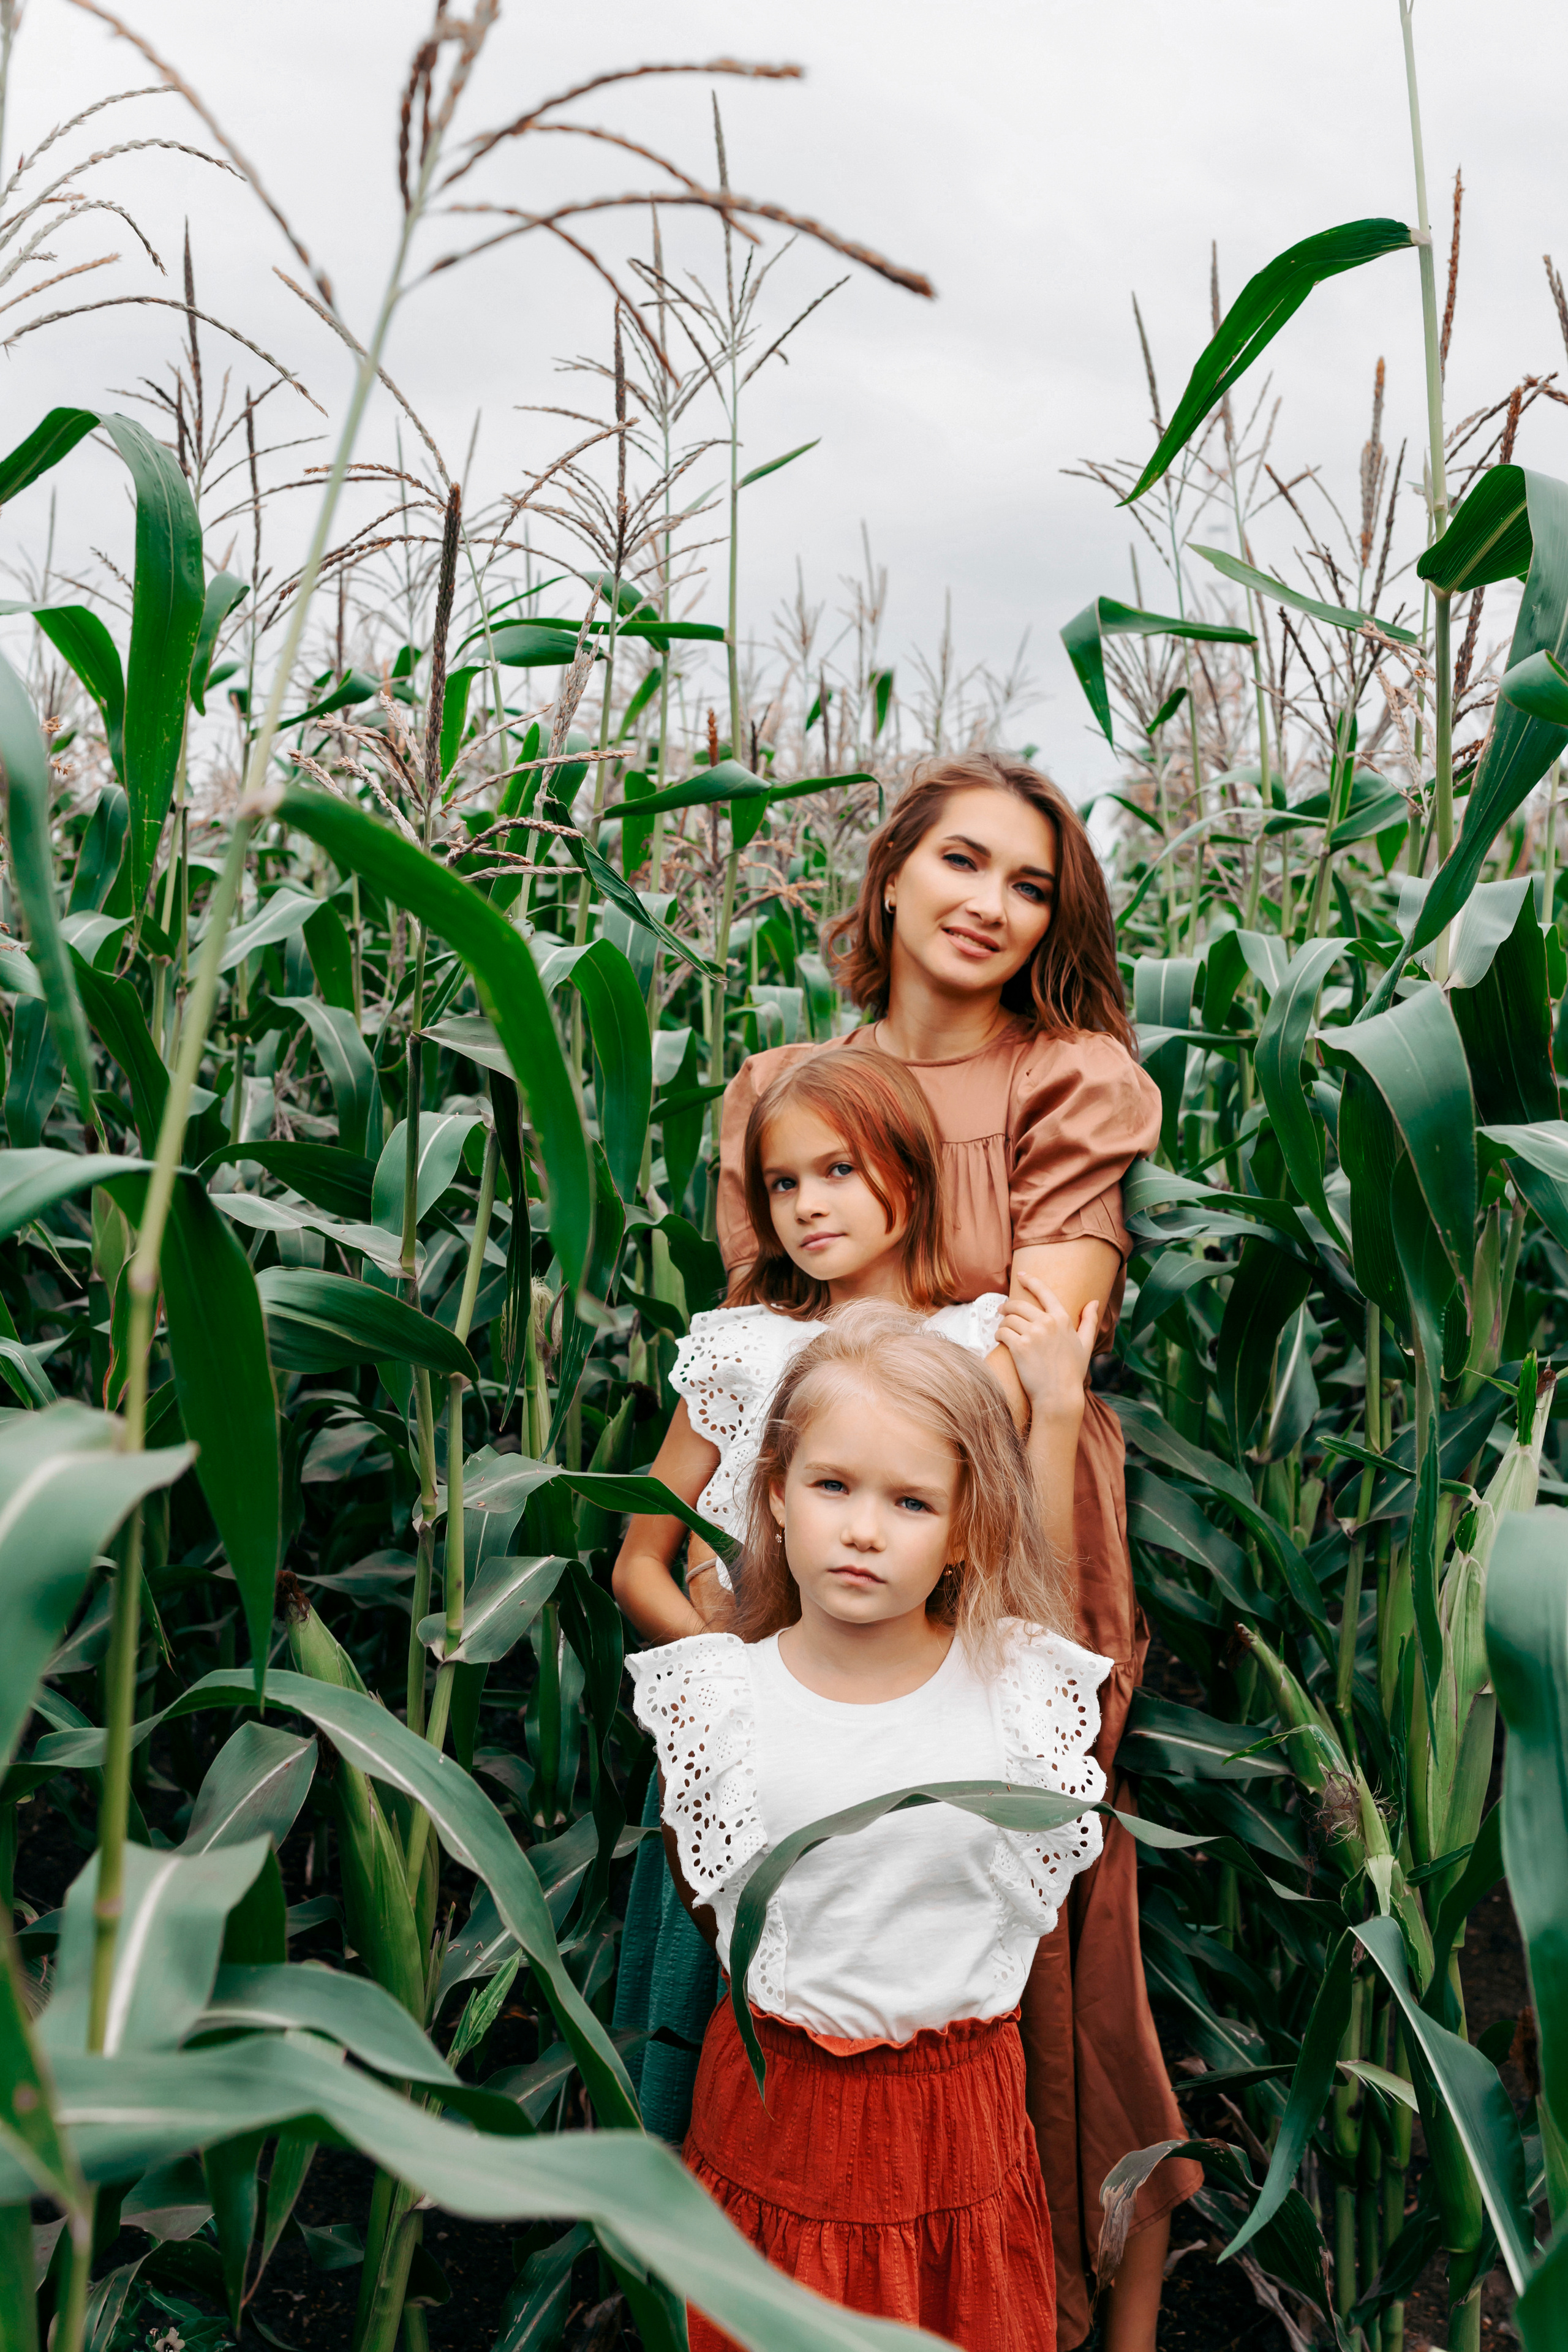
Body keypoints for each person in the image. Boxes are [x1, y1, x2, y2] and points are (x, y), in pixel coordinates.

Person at [714, 749, 1196, 2350]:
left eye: (1032, 884)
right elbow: (753, 1344)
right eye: (965, 862)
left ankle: (1091, 2301)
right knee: (844, 1897)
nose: (993, 904)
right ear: (894, 873)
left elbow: (1042, 1352)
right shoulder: (782, 1087)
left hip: (1019, 1521)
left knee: (1044, 1896)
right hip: (824, 1527)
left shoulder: (1073, 1080)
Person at [612, 1049, 1091, 2136]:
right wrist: (731, 1690)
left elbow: (1024, 1593)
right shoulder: (738, 1352)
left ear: (909, 1177)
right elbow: (637, 1561)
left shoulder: (977, 1346)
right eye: (781, 1184)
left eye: (838, 1170)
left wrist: (1056, 1412)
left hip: (913, 1765)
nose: (807, 1205)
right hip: (755, 1767)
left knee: (880, 2067)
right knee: (713, 2054)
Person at [627, 1306, 1111, 2352]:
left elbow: (1052, 1636)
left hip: (961, 2128)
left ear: (965, 1531)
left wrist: (1060, 1406)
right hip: (779, 2116)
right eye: (833, 1486)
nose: (862, 1528)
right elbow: (712, 1903)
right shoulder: (716, 1698)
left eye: (911, 1501)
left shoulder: (1018, 1694)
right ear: (776, 1498)